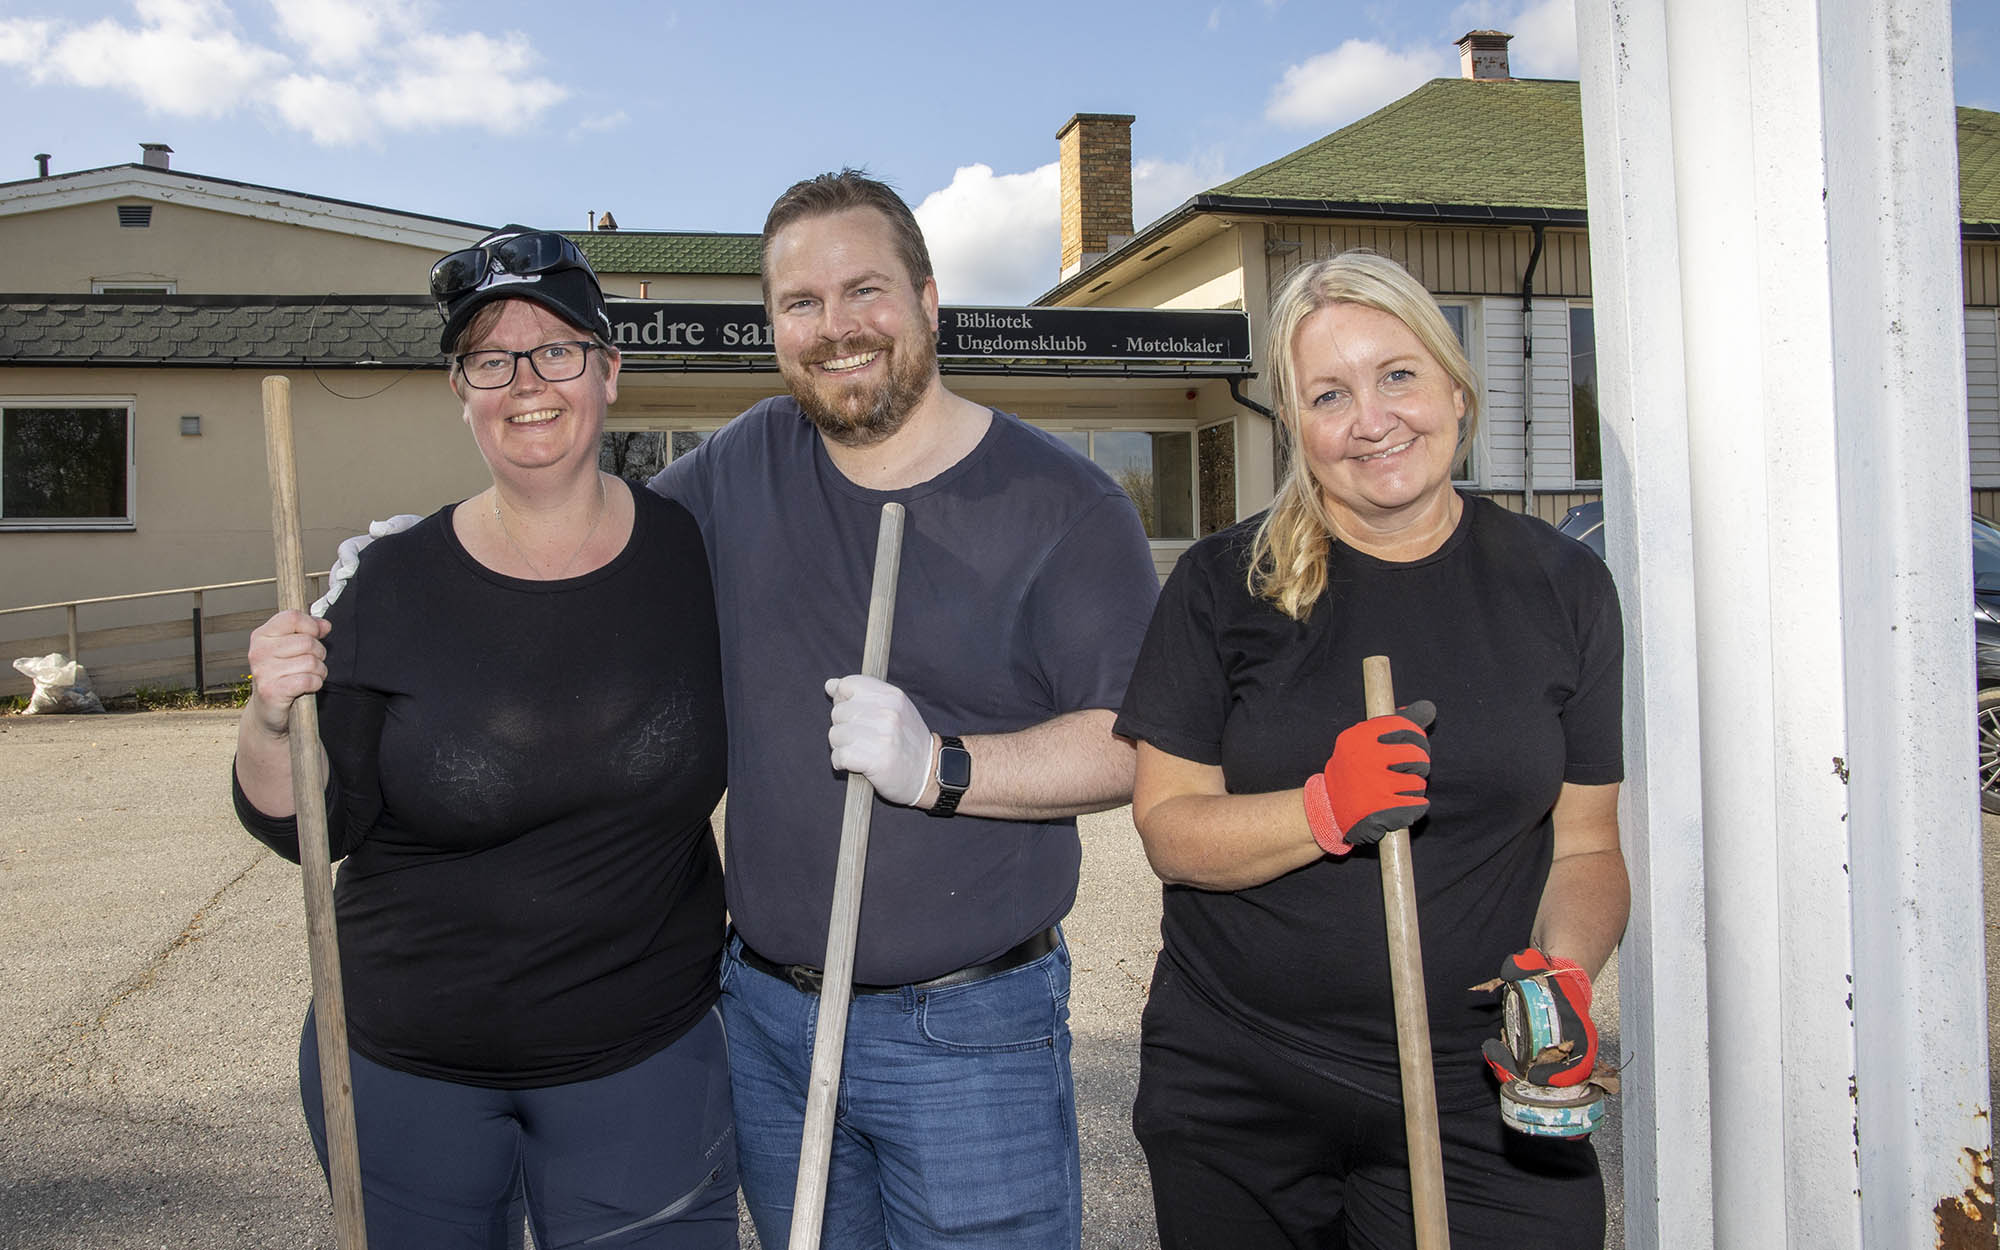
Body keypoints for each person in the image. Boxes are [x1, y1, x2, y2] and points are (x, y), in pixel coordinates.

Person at [648, 170, 1161, 1249]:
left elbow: (1128, 742)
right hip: (771, 1020)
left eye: (865, 290)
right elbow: (605, 550)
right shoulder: (743, 465)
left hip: (971, 1029)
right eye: (800, 302)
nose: (836, 328)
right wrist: (452, 552)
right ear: (773, 326)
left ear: (929, 299)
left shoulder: (1061, 505)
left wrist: (940, 766)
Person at [232, 226, 737, 1249]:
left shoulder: (695, 556)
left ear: (609, 367)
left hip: (643, 1060)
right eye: (490, 359)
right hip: (406, 1072)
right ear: (460, 390)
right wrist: (267, 714)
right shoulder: (392, 579)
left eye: (555, 348)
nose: (526, 381)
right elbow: (303, 825)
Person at [1113, 251, 1629, 1249]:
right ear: (1295, 427)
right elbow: (1169, 831)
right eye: (1328, 394)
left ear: (1453, 383)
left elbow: (1586, 845)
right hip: (1240, 1082)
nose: (1372, 417)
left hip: (1472, 1080)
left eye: (1397, 374)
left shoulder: (1561, 587)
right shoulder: (1224, 584)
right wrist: (1321, 808)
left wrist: (1562, 974)